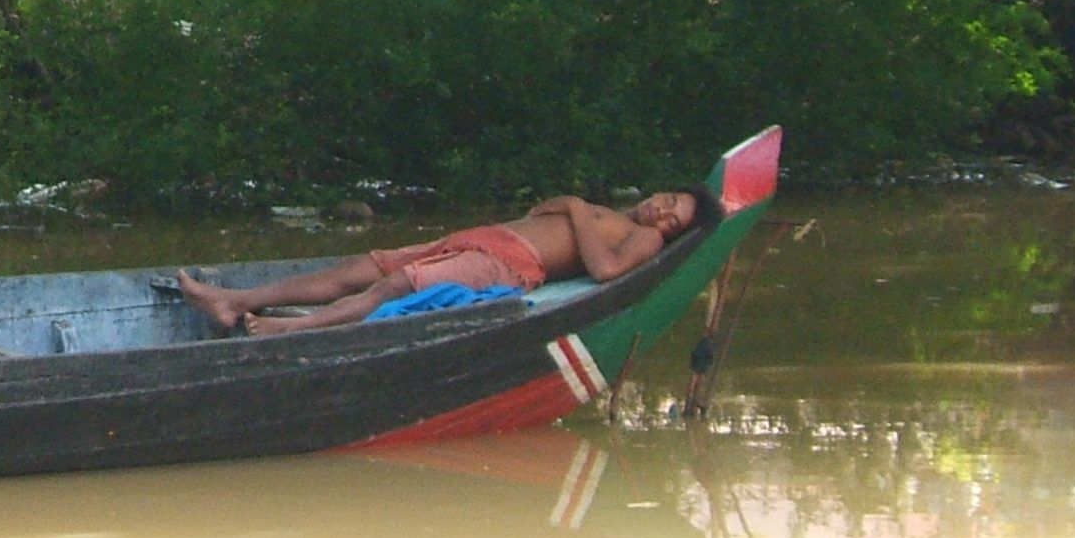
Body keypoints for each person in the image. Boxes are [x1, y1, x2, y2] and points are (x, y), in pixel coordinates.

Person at [176, 187, 720, 339]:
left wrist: (575, 208)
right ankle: (235, 301)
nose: (663, 215)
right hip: (486, 241)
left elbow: (602, 272)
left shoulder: (640, 239)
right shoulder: (617, 211)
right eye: (671, 202)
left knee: (393, 288)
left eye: (673, 222)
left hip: (508, 266)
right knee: (356, 270)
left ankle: (284, 332)